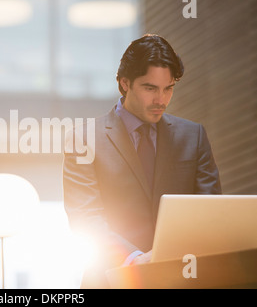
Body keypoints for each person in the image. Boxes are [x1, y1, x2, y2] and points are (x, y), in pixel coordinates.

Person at [62, 34, 222, 288]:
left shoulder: (194, 136)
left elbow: (209, 212)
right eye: (150, 88)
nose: (161, 100)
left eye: (168, 88)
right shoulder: (84, 139)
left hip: (182, 280)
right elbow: (86, 218)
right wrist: (135, 259)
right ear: (125, 83)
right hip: (111, 280)